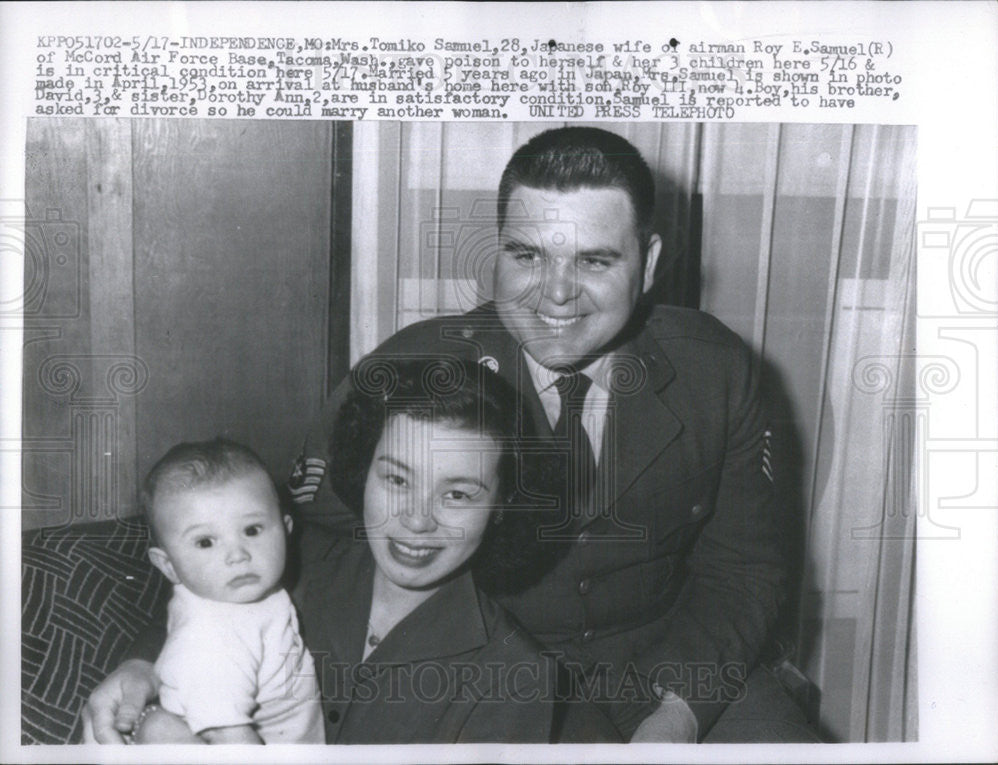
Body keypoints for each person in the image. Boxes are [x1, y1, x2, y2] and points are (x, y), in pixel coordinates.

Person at [87, 126, 811, 744]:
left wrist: (679, 711)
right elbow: (265, 540)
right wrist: (156, 660)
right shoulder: (411, 370)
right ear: (495, 250)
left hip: (673, 665)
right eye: (527, 256)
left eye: (594, 260)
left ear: (648, 263)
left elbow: (744, 570)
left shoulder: (716, 372)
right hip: (477, 684)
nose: (554, 293)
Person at [88, 360, 620, 744]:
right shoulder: (283, 561)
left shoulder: (515, 681)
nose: (416, 519)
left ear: (501, 506)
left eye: (457, 494)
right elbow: (206, 604)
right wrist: (139, 667)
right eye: (396, 479)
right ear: (363, 473)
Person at [136, 438, 324, 744]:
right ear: (168, 566)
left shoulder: (236, 594)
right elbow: (229, 737)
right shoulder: (209, 641)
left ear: (286, 531)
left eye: (252, 530)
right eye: (206, 542)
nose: (238, 555)